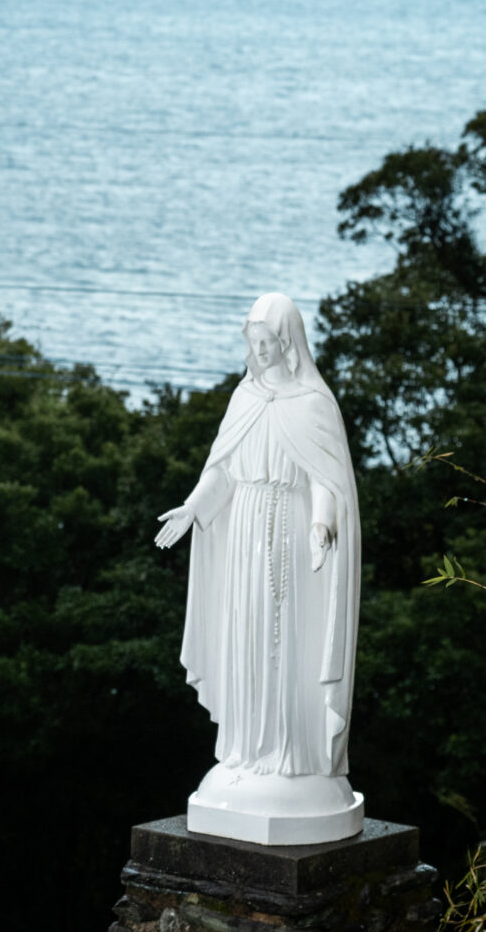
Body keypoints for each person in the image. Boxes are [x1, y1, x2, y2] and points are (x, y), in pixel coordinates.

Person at [153, 293, 365, 843]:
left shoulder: (314, 402)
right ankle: (247, 750)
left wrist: (322, 526)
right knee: (247, 636)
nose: (260, 352)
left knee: (286, 642)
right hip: (244, 532)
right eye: (253, 343)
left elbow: (327, 479)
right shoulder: (245, 397)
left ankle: (289, 756)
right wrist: (194, 508)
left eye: (268, 342)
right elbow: (221, 470)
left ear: (289, 343)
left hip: (290, 533)